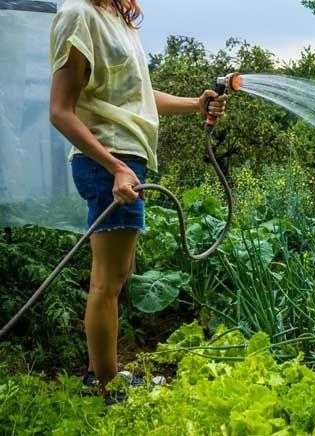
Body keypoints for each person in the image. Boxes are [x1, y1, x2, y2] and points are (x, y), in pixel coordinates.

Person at [48, 0, 228, 391]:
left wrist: (195, 105)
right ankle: (109, 385)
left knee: (115, 275)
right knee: (107, 282)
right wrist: (114, 167)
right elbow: (60, 110)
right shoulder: (79, 14)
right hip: (109, 158)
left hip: (128, 158)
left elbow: (139, 98)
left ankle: (98, 374)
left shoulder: (118, 19)